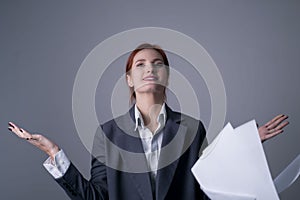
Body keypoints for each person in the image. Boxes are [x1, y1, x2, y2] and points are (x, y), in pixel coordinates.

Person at [8, 43, 289, 200]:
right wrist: (54, 153)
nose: (149, 68)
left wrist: (244, 145)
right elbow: (97, 198)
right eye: (139, 64)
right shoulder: (109, 134)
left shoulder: (191, 129)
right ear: (129, 79)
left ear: (166, 76)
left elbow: (208, 186)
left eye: (157, 64)